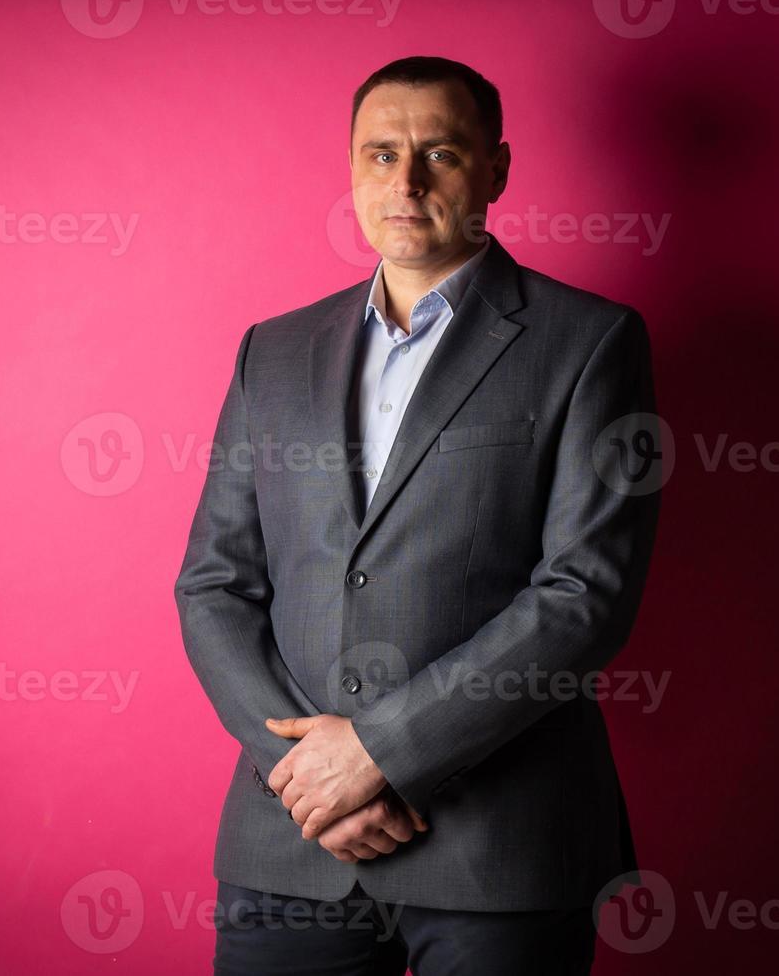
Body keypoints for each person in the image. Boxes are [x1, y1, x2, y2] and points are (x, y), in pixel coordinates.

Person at [175, 55, 661, 975]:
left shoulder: (591, 343)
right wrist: (311, 780)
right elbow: (215, 585)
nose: (405, 182)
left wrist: (380, 755)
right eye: (380, 154)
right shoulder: (271, 354)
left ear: (497, 170)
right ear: (351, 168)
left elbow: (584, 597)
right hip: (293, 846)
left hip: (502, 851)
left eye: (439, 152)